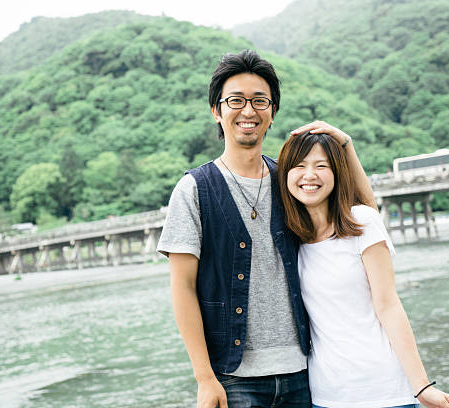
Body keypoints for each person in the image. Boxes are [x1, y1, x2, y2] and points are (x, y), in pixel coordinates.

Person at [157, 49, 374, 408]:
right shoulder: (195, 189)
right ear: (217, 110)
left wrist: (346, 145)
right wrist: (204, 377)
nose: (248, 111)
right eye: (236, 101)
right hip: (234, 379)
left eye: (260, 101)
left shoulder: (291, 181)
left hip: (305, 371)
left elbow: (365, 219)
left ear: (272, 113)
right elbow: (182, 287)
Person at [277, 131, 449, 408]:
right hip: (326, 395)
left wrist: (421, 385)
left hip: (383, 390)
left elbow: (389, 306)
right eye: (299, 166)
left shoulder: (362, 222)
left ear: (338, 173)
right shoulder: (292, 239)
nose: (309, 175)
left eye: (321, 166)